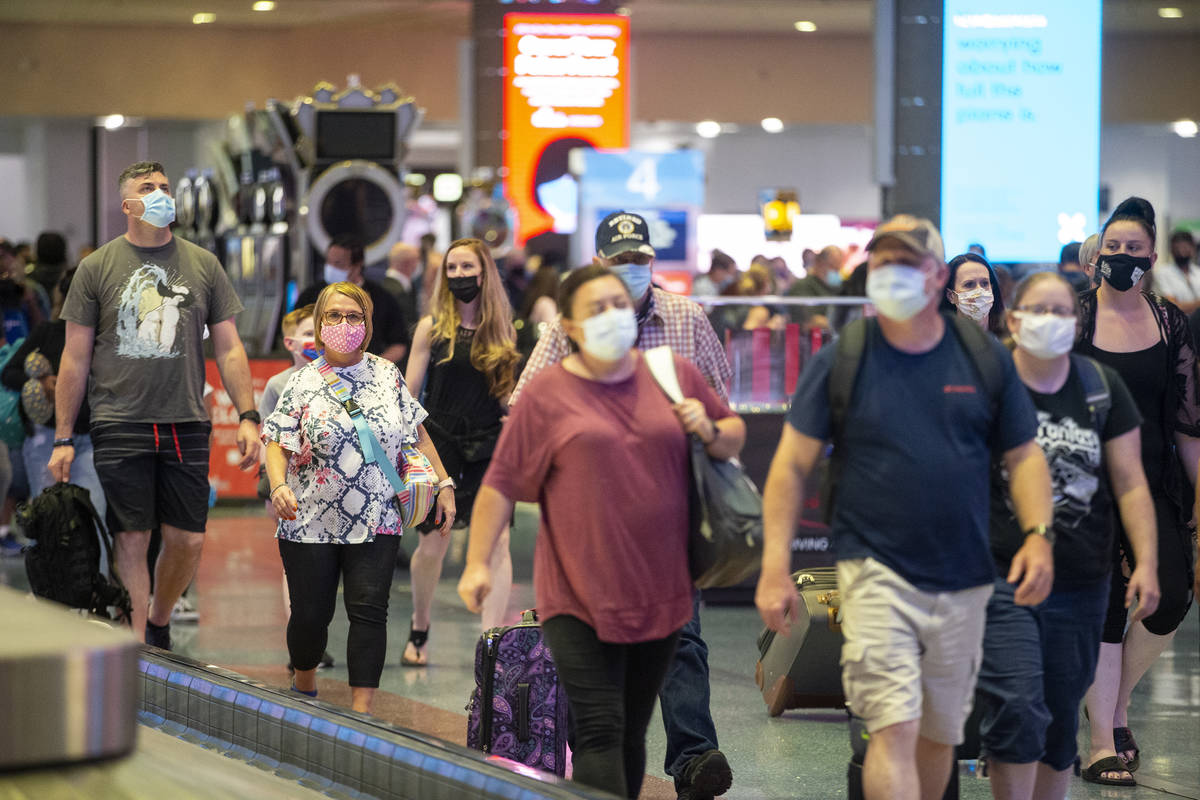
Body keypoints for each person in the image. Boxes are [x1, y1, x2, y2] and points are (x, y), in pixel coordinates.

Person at [757, 214, 1054, 800]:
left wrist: (1039, 534)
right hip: (875, 572)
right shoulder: (848, 355)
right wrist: (773, 566)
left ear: (935, 274)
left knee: (940, 736)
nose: (889, 273)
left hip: (965, 578)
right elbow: (790, 466)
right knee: (894, 726)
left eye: (905, 262)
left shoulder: (983, 358)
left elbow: (1024, 458)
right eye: (882, 261)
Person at [458, 264, 745, 799]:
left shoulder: (671, 373)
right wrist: (477, 563)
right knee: (599, 732)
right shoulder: (548, 394)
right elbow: (500, 483)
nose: (614, 314)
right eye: (597, 307)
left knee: (630, 734)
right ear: (568, 324)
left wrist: (707, 427)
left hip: (661, 593)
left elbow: (732, 434)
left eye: (619, 302)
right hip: (577, 596)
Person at [50, 160, 262, 648]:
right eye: (148, 188)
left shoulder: (203, 264)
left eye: (165, 187)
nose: (161, 194)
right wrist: (64, 437)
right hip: (119, 421)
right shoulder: (97, 267)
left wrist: (248, 415)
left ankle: (160, 619)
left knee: (187, 540)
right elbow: (75, 357)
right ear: (128, 205)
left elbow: (228, 348)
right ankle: (138, 647)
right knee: (132, 537)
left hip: (186, 419)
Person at [978, 271, 1160, 795]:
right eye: (1039, 310)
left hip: (1080, 581)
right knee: (1015, 706)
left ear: (1078, 322)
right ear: (1012, 320)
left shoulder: (1101, 388)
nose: (1051, 321)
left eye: (1062, 312)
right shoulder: (991, 387)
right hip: (1000, 576)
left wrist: (1146, 561)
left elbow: (1130, 485)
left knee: (1059, 722)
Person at [262, 282, 455, 713]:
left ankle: (362, 712)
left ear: (367, 324)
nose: (344, 324)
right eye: (334, 316)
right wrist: (278, 486)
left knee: (369, 612)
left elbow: (417, 432)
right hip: (309, 517)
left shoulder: (387, 374)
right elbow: (276, 441)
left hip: (375, 516)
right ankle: (305, 685)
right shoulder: (303, 381)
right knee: (311, 616)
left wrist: (444, 484)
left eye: (354, 316)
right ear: (319, 323)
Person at [1074, 196, 1200, 783]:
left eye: (1134, 249)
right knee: (1100, 607)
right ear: (1098, 254)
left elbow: (1187, 421)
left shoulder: (1170, 321)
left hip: (1153, 485)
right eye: (1113, 248)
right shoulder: (1076, 318)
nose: (1122, 256)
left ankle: (1116, 704)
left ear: (1151, 257)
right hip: (1083, 489)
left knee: (1170, 597)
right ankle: (1100, 740)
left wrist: (1198, 498)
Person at [402, 238, 521, 666]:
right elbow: (409, 394)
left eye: (466, 267)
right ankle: (419, 626)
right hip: (440, 443)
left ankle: (493, 644)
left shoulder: (502, 330)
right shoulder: (431, 329)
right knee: (433, 542)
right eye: (451, 268)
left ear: (484, 272)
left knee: (499, 541)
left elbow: (507, 398)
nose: (458, 276)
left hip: (491, 444)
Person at [292, 235, 410, 364]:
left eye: (338, 263)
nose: (330, 267)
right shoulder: (310, 296)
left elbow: (399, 343)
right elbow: (294, 334)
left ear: (357, 265)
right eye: (328, 261)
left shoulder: (382, 298)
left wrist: (374, 367)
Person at [939, 251, 1007, 336]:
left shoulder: (1007, 336)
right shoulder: (943, 340)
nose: (979, 291)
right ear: (951, 296)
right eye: (969, 284)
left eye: (985, 283)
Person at [787, 244, 843, 330]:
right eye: (832, 267)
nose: (836, 272)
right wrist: (843, 324)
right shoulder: (803, 286)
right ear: (819, 263)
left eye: (838, 268)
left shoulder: (836, 287)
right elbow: (811, 322)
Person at [1152, 230, 1200, 314]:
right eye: (1178, 246)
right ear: (1171, 249)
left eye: (1186, 246)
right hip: (1178, 324)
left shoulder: (1198, 272)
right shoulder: (1163, 273)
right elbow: (1173, 306)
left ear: (1193, 248)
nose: (1182, 250)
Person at [382, 241, 421, 331]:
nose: (418, 264)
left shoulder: (403, 287)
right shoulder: (396, 292)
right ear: (407, 263)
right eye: (417, 260)